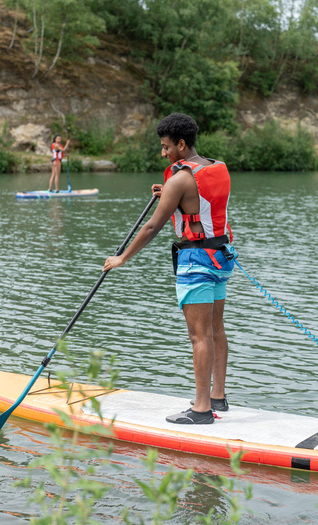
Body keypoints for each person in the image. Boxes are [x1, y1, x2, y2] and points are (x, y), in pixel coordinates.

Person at [103, 113, 236, 425]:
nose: (163, 153)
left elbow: (151, 227)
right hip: (221, 258)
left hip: (196, 262)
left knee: (198, 336)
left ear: (181, 143)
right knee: (216, 329)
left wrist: (122, 259)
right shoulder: (216, 167)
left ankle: (202, 409)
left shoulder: (179, 180)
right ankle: (218, 395)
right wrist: (171, 194)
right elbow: (200, 202)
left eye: (166, 147)